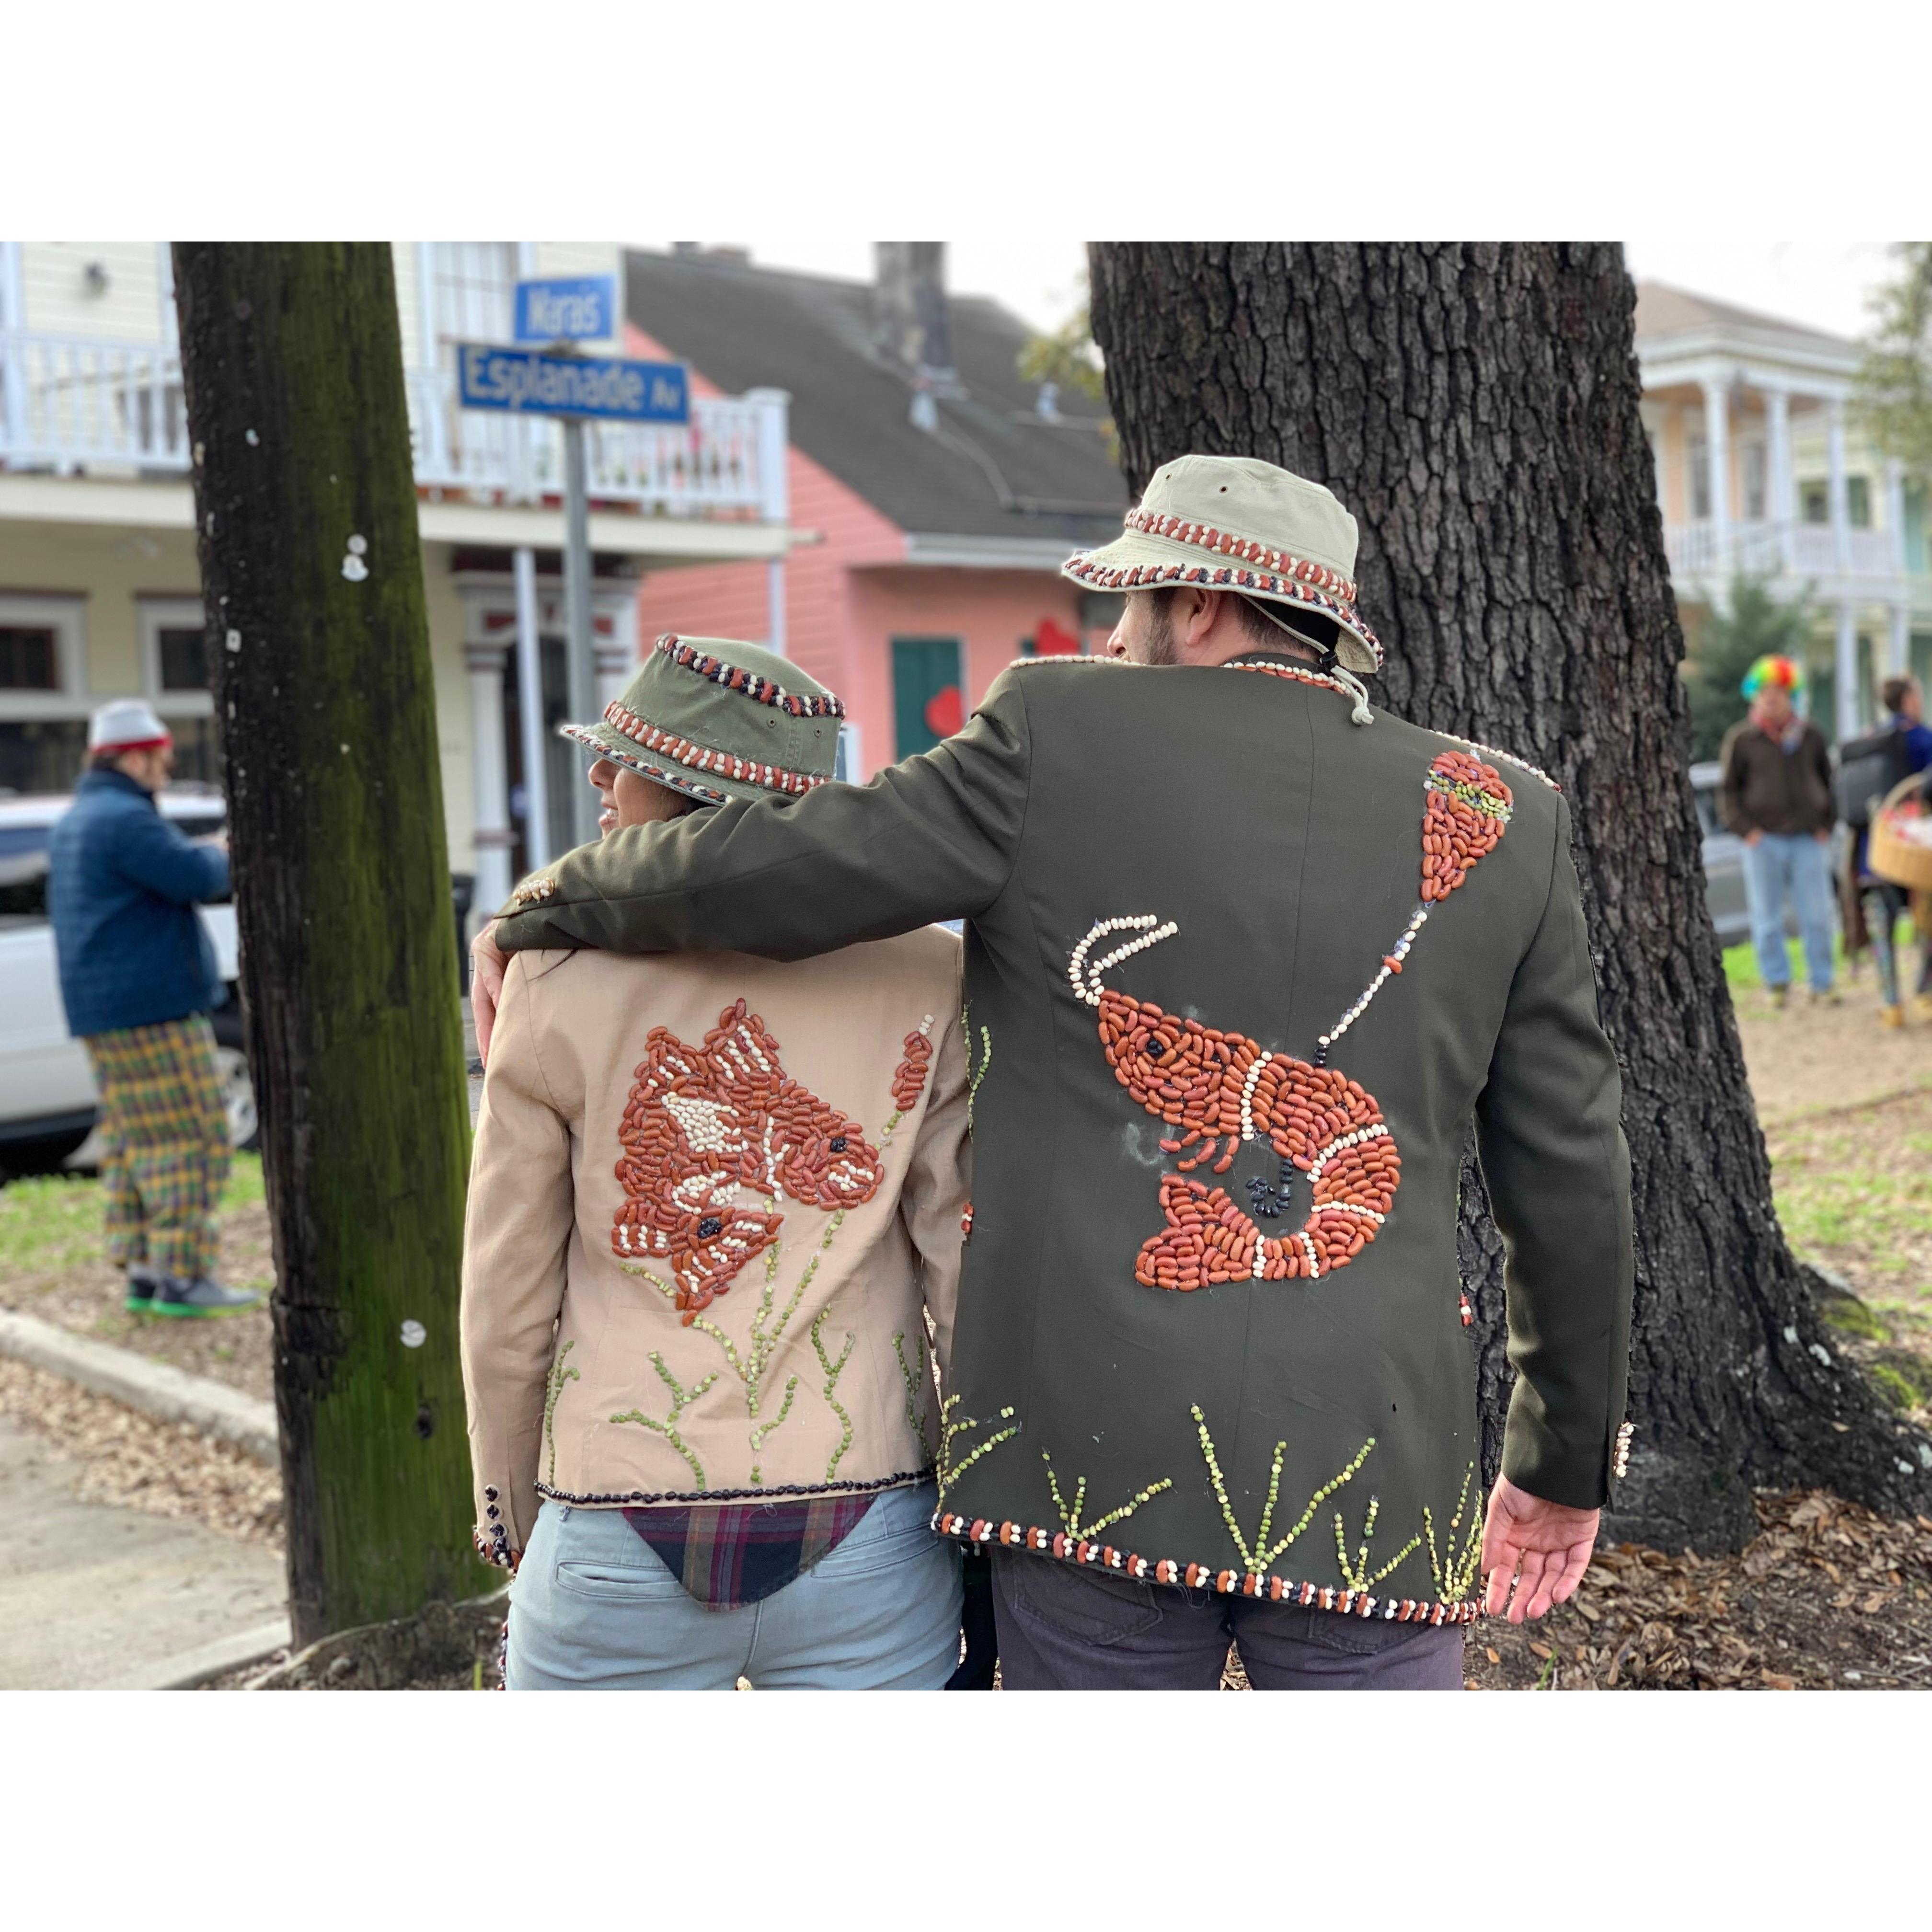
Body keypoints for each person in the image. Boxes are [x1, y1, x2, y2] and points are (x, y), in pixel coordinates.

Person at [475, 456, 1634, 1690]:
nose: (1115, 635)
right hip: (1373, 1467)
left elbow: (790, 868)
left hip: (1090, 1461)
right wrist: (1561, 1465)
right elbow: (1572, 1176)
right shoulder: (1514, 816)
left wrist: (553, 899)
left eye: (1130, 603)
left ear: (1197, 604)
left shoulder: (1057, 733)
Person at [462, 639, 972, 1690]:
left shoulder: (551, 976)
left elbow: (506, 1297)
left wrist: (511, 1510)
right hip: (871, 1521)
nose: (600, 776)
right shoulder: (935, 971)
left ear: (690, 797)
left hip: (614, 1523)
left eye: (626, 760)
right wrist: (974, 1504)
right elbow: (965, 1267)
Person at [46, 700, 255, 1319]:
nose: (166, 771)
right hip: (153, 1006)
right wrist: (224, 850)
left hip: (106, 1010)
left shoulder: (81, 817)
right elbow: (194, 876)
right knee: (193, 1131)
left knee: (132, 1138)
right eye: (163, 760)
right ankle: (185, 1277)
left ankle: (142, 1268)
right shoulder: (125, 818)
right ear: (135, 759)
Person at [1717, 655, 1838, 1007]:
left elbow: (1830, 781)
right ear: (1754, 696)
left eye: (1778, 691)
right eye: (1764, 691)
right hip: (1763, 840)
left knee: (1817, 915)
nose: (1771, 698)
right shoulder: (1742, 739)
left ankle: (1822, 982)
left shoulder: (1810, 735)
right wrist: (1746, 831)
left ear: (1790, 695)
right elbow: (1729, 791)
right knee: (1767, 918)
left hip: (1808, 839)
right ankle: (1777, 983)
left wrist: (1827, 823)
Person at [1843, 674, 1932, 1026]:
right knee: (1927, 922)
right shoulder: (1921, 738)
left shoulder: (1870, 739)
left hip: (1876, 852)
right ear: (1908, 700)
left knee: (1884, 926)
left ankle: (1891, 1001)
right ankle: (1926, 992)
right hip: (1916, 851)